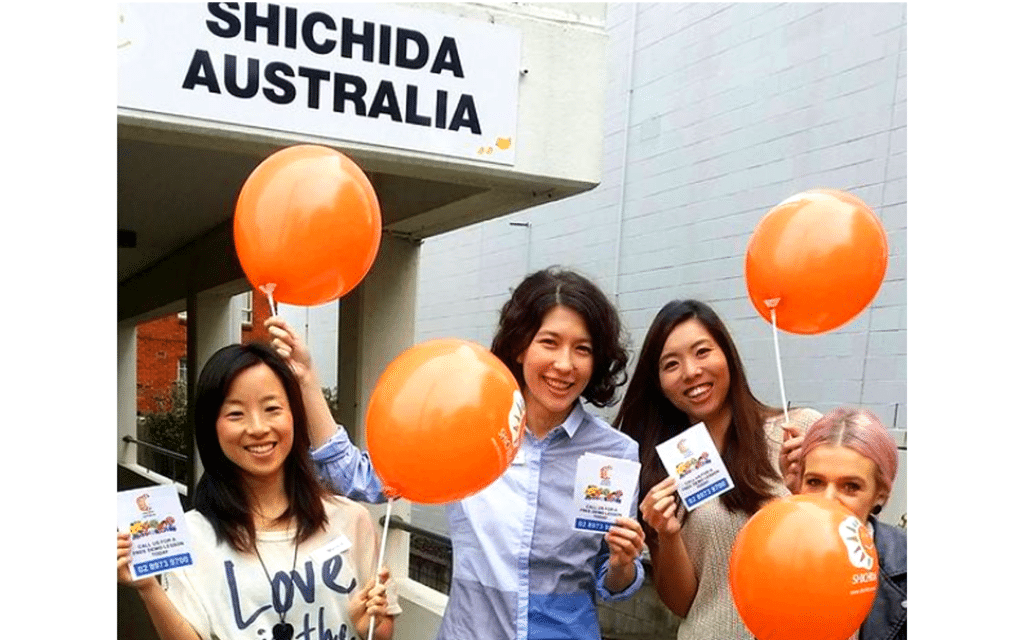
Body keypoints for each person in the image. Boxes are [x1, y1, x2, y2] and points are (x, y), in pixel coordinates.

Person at [267, 266, 647, 640]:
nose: (564, 364)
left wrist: (622, 564)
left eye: (582, 349)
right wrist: (306, 380)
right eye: (549, 342)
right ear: (519, 346)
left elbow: (608, 580)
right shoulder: (473, 429)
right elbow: (355, 477)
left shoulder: (613, 453)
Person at [117, 342, 399, 640]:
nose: (258, 427)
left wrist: (372, 626)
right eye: (236, 414)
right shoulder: (190, 536)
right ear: (211, 427)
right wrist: (148, 587)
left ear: (294, 415)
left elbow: (380, 633)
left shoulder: (351, 519)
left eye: (272, 409)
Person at [612, 299, 821, 640]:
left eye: (702, 351)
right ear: (660, 383)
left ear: (728, 355)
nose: (691, 371)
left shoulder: (796, 432)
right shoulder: (662, 472)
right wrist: (667, 533)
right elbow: (683, 605)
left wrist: (805, 493)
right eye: (671, 364)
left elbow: (844, 541)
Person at [796, 407, 907, 640]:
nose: (827, 500)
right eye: (814, 482)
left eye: (851, 487)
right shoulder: (779, 556)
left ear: (881, 494)